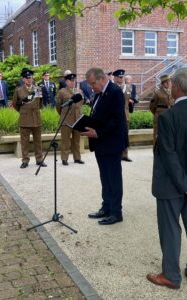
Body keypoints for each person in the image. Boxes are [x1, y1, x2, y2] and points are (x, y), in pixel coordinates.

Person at [147, 67, 187, 289]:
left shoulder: (168, 117)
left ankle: (171, 276)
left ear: (175, 86)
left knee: (170, 229)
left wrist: (186, 186)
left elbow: (169, 155)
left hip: (171, 185)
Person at [82, 67, 128, 225]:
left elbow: (116, 120)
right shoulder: (98, 93)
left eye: (93, 83)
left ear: (102, 79)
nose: (91, 87)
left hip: (111, 142)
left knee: (113, 178)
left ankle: (116, 212)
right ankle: (106, 207)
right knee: (105, 177)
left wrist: (98, 132)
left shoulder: (115, 92)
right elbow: (98, 115)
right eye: (89, 85)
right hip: (100, 143)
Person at [12, 69, 47, 169]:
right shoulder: (18, 90)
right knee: (24, 142)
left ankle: (39, 159)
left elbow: (40, 103)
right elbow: (15, 104)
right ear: (23, 79)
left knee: (38, 141)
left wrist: (35, 110)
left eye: (30, 77)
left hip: (36, 118)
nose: (29, 79)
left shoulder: (38, 89)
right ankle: (25, 160)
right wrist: (23, 111)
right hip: (24, 119)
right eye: (27, 78)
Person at [56, 73, 84, 166]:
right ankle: (64, 158)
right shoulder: (62, 92)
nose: (73, 82)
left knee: (76, 140)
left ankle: (77, 158)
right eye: (71, 81)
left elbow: (80, 105)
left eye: (74, 81)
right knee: (65, 141)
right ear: (66, 81)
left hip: (77, 119)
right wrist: (63, 115)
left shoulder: (79, 91)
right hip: (66, 119)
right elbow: (58, 106)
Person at [113, 69, 132, 162]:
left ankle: (125, 154)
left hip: (125, 114)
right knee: (116, 135)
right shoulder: (112, 87)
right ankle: (117, 154)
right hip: (116, 115)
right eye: (120, 77)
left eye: (122, 77)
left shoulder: (127, 88)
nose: (121, 78)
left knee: (125, 135)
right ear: (115, 78)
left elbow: (128, 102)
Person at [149, 74, 174, 146]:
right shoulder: (157, 93)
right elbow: (152, 106)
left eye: (169, 81)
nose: (169, 83)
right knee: (157, 134)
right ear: (163, 83)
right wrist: (157, 113)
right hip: (160, 115)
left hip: (169, 116)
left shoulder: (172, 92)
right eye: (167, 82)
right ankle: (156, 151)